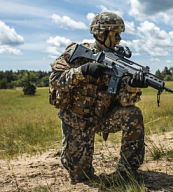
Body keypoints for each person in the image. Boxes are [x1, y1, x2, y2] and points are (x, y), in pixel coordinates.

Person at [49, 12, 146, 183]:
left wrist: (132, 84)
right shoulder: (77, 52)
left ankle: (127, 172)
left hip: (103, 116)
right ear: (101, 34)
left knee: (133, 114)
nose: (119, 39)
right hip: (77, 120)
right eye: (116, 34)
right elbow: (55, 80)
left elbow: (124, 101)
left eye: (120, 35)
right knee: (80, 177)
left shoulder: (118, 60)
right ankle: (71, 157)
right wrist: (83, 71)